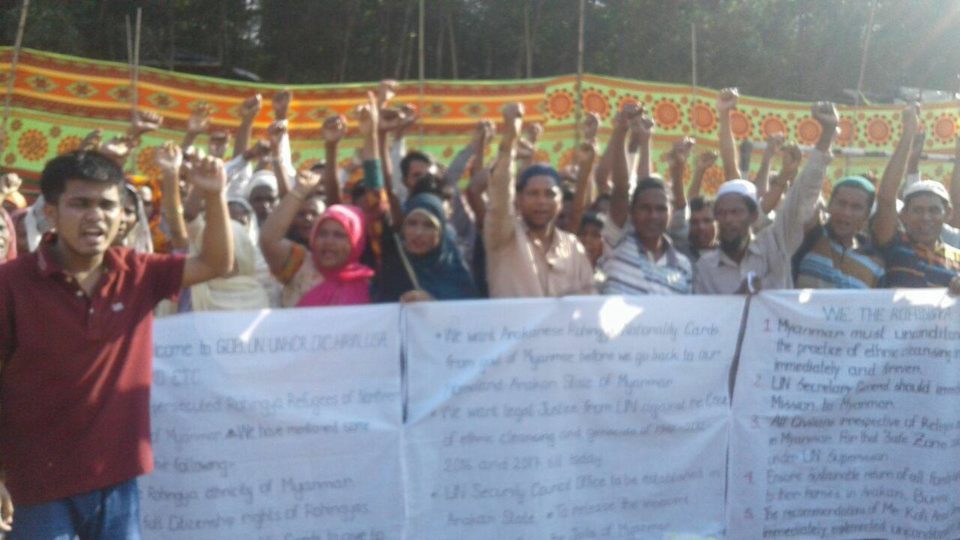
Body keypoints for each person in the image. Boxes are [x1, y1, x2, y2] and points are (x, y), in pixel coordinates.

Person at [0, 149, 233, 538]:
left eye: (107, 205)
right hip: (38, 484)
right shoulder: (10, 283)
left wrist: (214, 194)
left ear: (122, 214)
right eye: (80, 204)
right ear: (51, 213)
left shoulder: (138, 272)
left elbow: (216, 263)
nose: (96, 215)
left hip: (116, 480)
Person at [694, 94, 836, 294]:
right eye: (722, 213)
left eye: (736, 212)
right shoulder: (705, 268)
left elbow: (803, 194)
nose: (728, 219)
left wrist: (827, 134)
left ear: (753, 215)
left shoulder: (777, 244)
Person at [484, 103, 594, 298]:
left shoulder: (572, 247)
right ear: (518, 199)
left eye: (549, 194)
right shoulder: (504, 235)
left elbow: (588, 298)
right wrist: (509, 140)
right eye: (533, 194)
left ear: (561, 202)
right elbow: (500, 194)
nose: (541, 201)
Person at [872, 104, 960, 291]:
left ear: (948, 214)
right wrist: (909, 132)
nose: (926, 217)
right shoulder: (894, 245)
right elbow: (886, 199)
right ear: (903, 215)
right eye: (918, 210)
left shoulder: (957, 258)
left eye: (934, 210)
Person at [372, 192, 478, 302]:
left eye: (429, 225)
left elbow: (467, 308)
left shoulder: (456, 274)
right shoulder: (392, 271)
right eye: (412, 223)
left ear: (440, 232)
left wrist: (433, 302)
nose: (418, 233)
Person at [793, 175, 884, 289]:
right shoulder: (811, 237)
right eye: (841, 203)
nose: (846, 212)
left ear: (867, 215)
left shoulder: (875, 263)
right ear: (829, 205)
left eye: (856, 207)